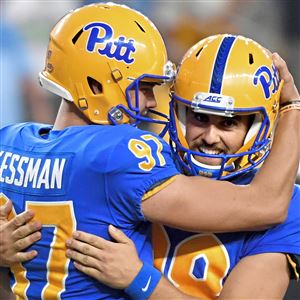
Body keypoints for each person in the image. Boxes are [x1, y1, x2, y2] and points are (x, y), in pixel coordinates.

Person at [0, 3, 299, 298]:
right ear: (95, 85)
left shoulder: (10, 141)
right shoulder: (127, 156)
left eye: (229, 123)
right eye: (143, 88)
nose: (152, 103)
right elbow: (266, 204)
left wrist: (140, 278)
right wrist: (292, 108)